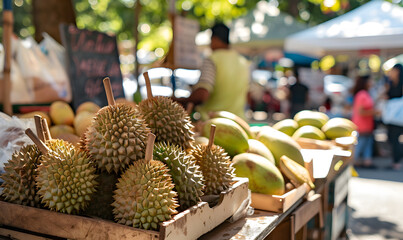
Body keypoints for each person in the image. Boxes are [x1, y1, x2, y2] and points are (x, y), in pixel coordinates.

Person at [173, 23, 250, 120]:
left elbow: (202, 95)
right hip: (239, 122)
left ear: (214, 39)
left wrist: (175, 100)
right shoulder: (242, 62)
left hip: (213, 124)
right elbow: (247, 96)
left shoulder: (212, 59)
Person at [351, 75, 379, 168]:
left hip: (367, 125)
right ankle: (352, 162)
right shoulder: (362, 94)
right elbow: (361, 111)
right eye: (370, 81)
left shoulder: (366, 93)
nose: (372, 83)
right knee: (360, 144)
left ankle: (367, 161)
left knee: (367, 143)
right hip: (361, 125)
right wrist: (374, 112)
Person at [385, 63, 403, 170]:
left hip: (399, 116)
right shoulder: (390, 83)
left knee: (394, 138)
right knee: (391, 138)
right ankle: (396, 160)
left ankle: (396, 161)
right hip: (392, 116)